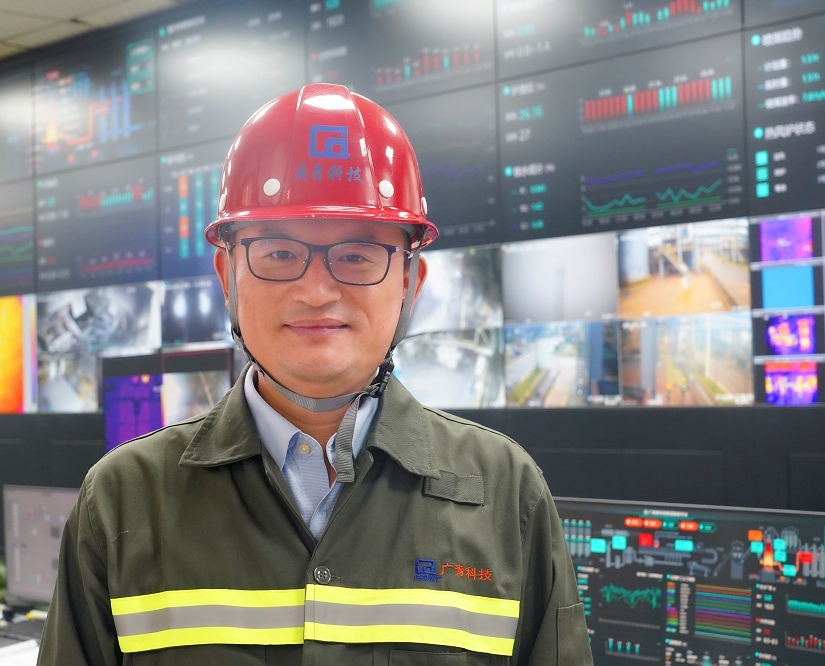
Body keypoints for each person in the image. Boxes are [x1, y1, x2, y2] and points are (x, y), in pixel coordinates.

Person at [39, 83, 592, 665]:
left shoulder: (506, 494)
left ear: (411, 284)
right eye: (278, 253)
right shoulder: (122, 501)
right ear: (227, 276)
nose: (316, 291)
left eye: (357, 255)